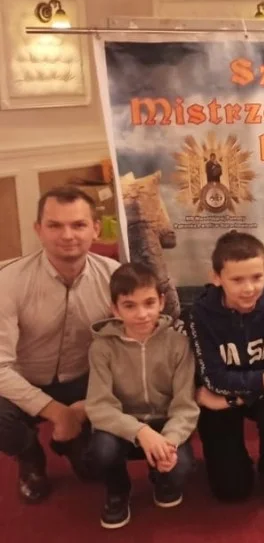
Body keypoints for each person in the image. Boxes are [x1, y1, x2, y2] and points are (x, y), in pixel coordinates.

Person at [0, 186, 119, 503]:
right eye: (54, 225)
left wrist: (87, 407)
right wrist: (58, 413)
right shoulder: (8, 281)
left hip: (84, 382)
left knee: (94, 469)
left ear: (95, 228)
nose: (67, 235)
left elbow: (128, 353)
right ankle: (29, 454)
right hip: (23, 380)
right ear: (38, 229)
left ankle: (69, 442)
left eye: (78, 225)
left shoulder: (115, 278)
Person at [183, 231, 264, 506]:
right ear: (217, 277)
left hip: (232, 397)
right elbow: (214, 379)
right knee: (231, 491)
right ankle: (232, 461)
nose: (249, 288)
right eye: (237, 280)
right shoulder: (199, 314)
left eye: (257, 277)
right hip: (224, 394)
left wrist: (232, 399)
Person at [85, 262, 199, 529]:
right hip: (121, 425)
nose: (142, 314)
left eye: (149, 303)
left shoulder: (178, 344)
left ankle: (162, 478)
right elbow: (99, 406)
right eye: (129, 305)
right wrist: (140, 432)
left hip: (164, 423)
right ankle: (118, 490)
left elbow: (185, 405)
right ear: (115, 309)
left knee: (181, 466)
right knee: (100, 453)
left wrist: (169, 442)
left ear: (161, 302)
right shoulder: (102, 348)